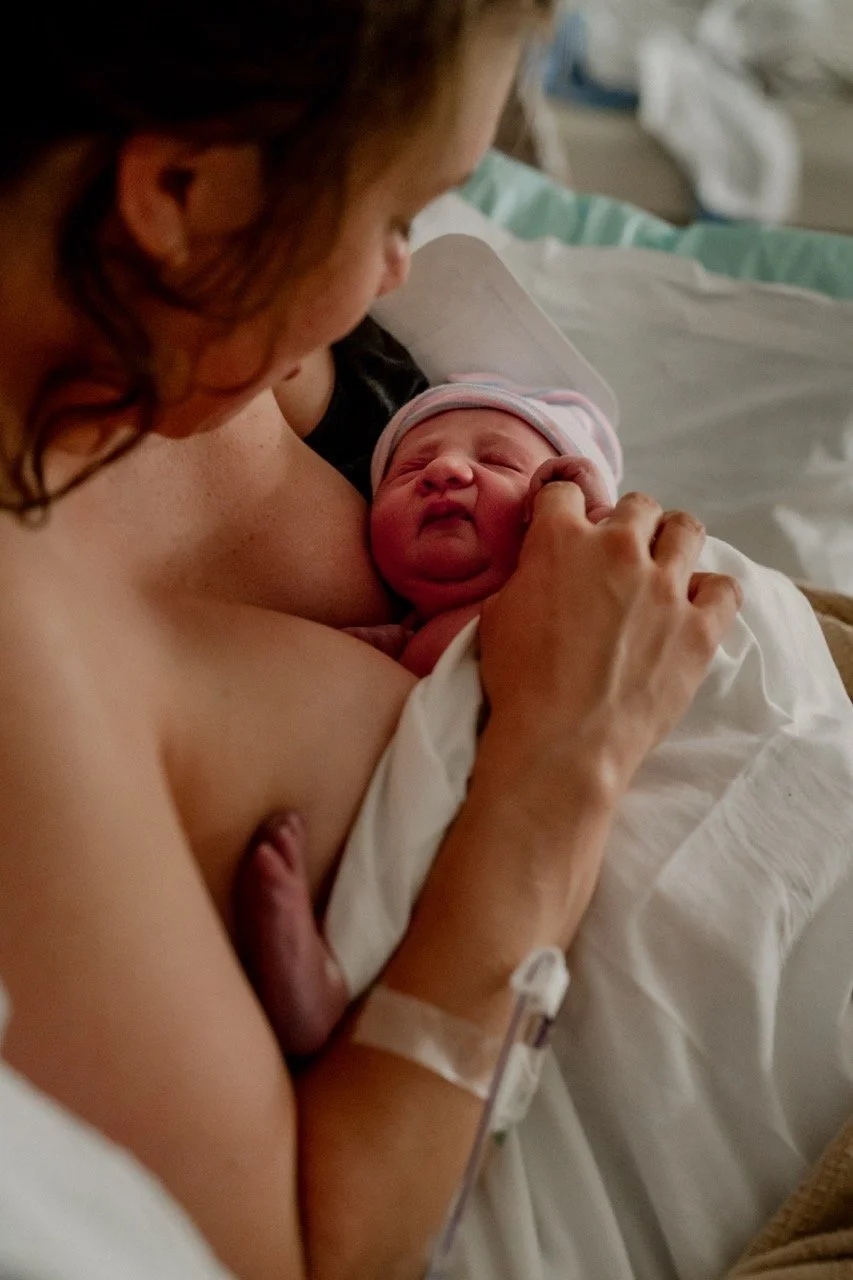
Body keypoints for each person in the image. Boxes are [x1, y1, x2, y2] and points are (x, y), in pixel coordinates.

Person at [0, 5, 742, 1280]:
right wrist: (564, 757)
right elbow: (306, 1249)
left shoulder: (193, 322)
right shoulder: (30, 659)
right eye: (402, 217)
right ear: (178, 188)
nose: (404, 269)